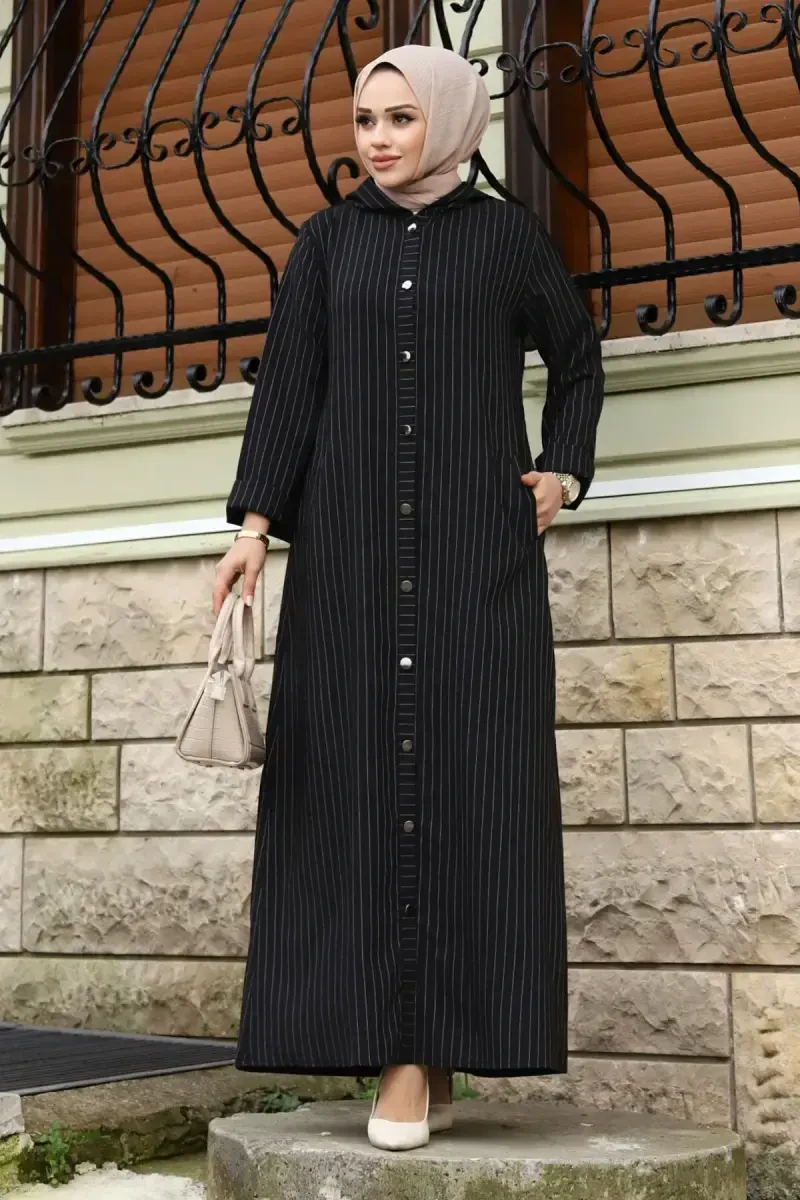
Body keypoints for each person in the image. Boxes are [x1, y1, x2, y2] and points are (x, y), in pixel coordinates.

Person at [212, 43, 604, 1152]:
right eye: (365, 120)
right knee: (343, 789)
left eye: (400, 118)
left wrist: (563, 472)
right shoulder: (328, 242)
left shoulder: (505, 240)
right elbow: (289, 386)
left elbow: (577, 362)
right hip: (345, 561)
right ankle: (392, 1050)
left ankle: (423, 1056)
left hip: (477, 563)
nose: (378, 139)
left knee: (477, 790)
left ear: (449, 121)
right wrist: (252, 528)